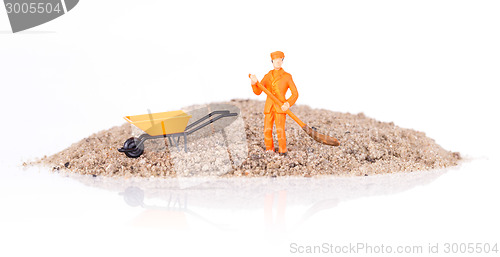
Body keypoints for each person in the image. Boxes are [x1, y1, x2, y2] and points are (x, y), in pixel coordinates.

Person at [249, 51, 299, 156]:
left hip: (280, 107)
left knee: (280, 130)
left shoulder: (287, 76)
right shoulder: (268, 76)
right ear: (272, 61)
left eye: (280, 60)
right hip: (269, 107)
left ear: (282, 61)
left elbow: (295, 94)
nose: (278, 62)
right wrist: (253, 83)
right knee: (267, 130)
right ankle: (269, 150)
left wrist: (288, 103)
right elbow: (258, 91)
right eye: (276, 60)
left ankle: (282, 150)